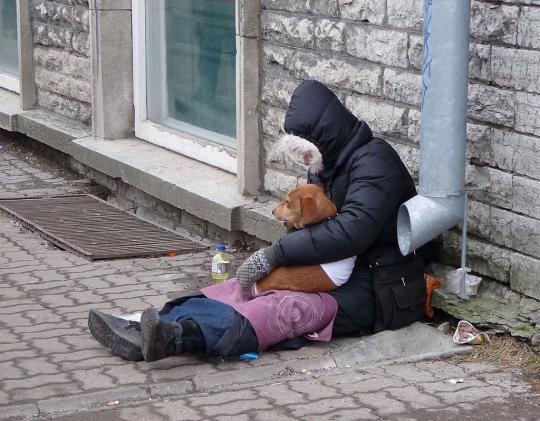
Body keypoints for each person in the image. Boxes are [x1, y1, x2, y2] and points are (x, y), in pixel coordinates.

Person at [88, 80, 422, 362]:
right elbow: (316, 229)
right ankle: (148, 321)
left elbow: (350, 233)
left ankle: (177, 337)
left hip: (378, 287)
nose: (304, 160)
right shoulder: (326, 163)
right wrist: (277, 259)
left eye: (306, 151)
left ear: (327, 135)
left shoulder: (376, 164)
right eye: (299, 153)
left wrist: (277, 254)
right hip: (335, 270)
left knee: (283, 306)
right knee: (244, 286)